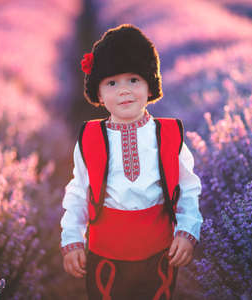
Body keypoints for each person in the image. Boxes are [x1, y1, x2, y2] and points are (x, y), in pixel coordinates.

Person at [60, 24, 203, 300]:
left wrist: (187, 230)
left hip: (158, 252)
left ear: (150, 85)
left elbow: (188, 187)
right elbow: (78, 189)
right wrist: (72, 238)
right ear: (99, 95)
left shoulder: (168, 134)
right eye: (112, 83)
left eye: (133, 80)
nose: (124, 90)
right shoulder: (90, 137)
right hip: (105, 254)